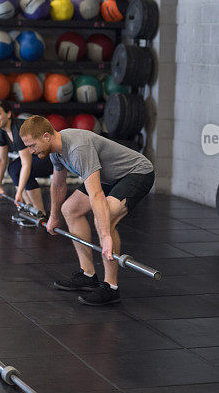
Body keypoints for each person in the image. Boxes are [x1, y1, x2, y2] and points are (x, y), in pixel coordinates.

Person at [19, 116, 155, 306]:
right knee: (70, 210)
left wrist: (106, 235)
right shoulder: (55, 151)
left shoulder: (76, 149)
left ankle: (111, 287)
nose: (31, 151)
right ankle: (88, 275)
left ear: (46, 136)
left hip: (136, 173)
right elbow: (58, 184)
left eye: (33, 146)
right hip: (109, 176)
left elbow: (96, 194)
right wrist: (54, 216)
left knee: (105, 217)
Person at [0, 101, 52, 215]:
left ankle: (40, 213)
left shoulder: (18, 129)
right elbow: (1, 159)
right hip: (36, 157)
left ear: (8, 114)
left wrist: (18, 193)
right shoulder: (2, 132)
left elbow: (26, 164)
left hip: (51, 157)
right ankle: (30, 209)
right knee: (13, 168)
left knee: (22, 170)